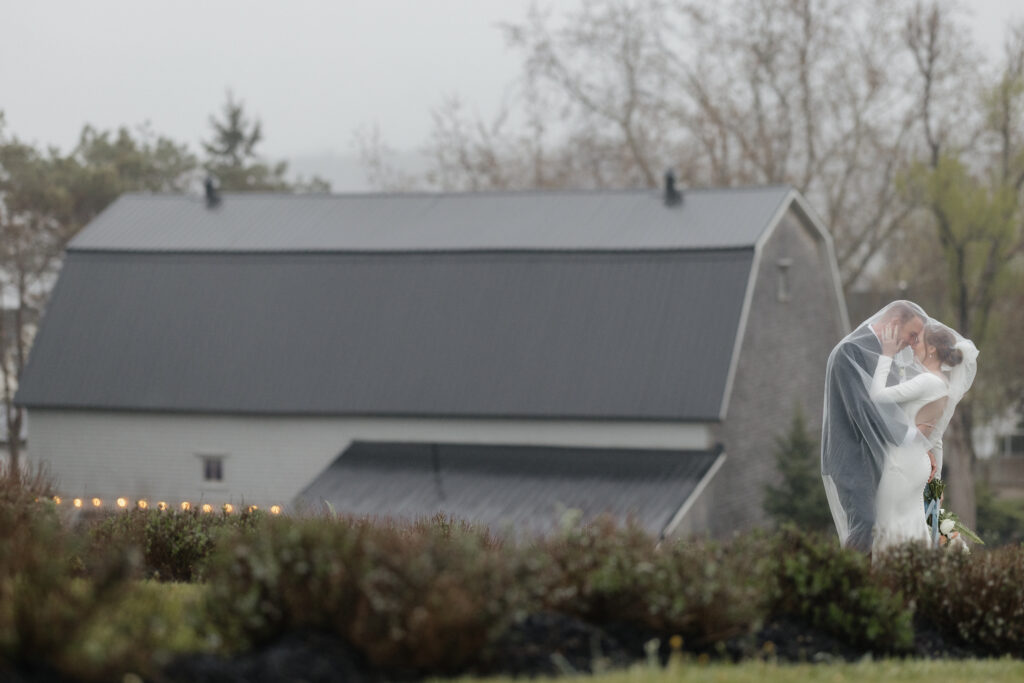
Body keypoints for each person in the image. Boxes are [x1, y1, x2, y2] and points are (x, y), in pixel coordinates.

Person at [821, 301, 929, 552]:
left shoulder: (887, 356)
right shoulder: (849, 351)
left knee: (888, 530)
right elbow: (865, 409)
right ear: (893, 325)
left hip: (885, 460)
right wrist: (916, 439)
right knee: (866, 526)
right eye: (911, 335)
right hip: (854, 460)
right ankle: (853, 587)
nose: (913, 343)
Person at [869, 322, 964, 553]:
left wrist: (887, 354)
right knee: (914, 527)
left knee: (887, 527)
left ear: (932, 349)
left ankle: (889, 581)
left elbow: (877, 395)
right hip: (919, 465)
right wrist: (936, 486)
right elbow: (937, 441)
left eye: (918, 341)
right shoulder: (943, 383)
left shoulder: (927, 381)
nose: (912, 346)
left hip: (901, 464)